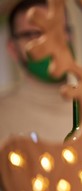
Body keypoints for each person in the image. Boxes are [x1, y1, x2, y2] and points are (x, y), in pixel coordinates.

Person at [0, 0, 72, 145]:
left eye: (57, 30)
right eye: (34, 34)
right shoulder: (3, 115)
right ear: (13, 49)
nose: (49, 42)